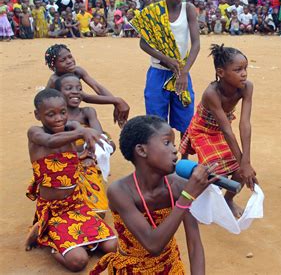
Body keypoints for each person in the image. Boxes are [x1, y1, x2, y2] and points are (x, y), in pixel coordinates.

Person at [90, 115, 216, 274]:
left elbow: (194, 245)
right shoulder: (120, 191)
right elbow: (153, 244)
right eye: (166, 143)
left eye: (174, 143)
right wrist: (187, 197)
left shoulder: (178, 186)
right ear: (142, 150)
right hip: (132, 270)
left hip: (170, 266)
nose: (174, 149)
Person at [25, 88, 117, 272]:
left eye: (63, 112)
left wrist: (94, 146)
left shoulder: (73, 127)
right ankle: (46, 237)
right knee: (78, 262)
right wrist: (83, 134)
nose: (58, 118)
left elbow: (82, 136)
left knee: (112, 247)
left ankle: (75, 243)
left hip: (77, 205)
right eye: (51, 114)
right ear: (37, 115)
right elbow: (51, 142)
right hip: (54, 211)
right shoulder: (35, 133)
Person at [179, 44, 258, 217]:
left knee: (239, 170)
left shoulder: (247, 87)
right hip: (203, 131)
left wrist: (245, 162)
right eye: (238, 70)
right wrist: (243, 162)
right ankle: (191, 203)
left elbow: (245, 123)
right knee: (212, 172)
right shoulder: (211, 93)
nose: (244, 73)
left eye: (245, 68)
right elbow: (227, 130)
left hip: (221, 131)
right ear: (221, 73)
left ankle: (228, 200)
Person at [130, 0, 200, 140]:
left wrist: (183, 73)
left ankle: (183, 158)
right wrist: (166, 59)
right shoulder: (152, 12)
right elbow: (143, 44)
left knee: (185, 117)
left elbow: (196, 44)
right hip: (157, 72)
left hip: (181, 73)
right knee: (156, 121)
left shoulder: (188, 9)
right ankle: (162, 157)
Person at [54, 74, 112, 213]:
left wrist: (89, 156)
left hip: (87, 158)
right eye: (69, 88)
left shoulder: (87, 112)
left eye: (79, 88)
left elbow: (99, 137)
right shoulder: (55, 117)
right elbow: (55, 144)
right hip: (64, 161)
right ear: (58, 94)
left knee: (98, 212)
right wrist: (80, 152)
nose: (75, 91)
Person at [44, 44, 130, 127]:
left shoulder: (77, 71)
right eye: (63, 60)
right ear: (53, 67)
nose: (69, 61)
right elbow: (85, 97)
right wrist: (116, 101)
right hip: (58, 116)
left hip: (71, 111)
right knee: (88, 114)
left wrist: (115, 103)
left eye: (70, 57)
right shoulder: (55, 80)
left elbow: (97, 87)